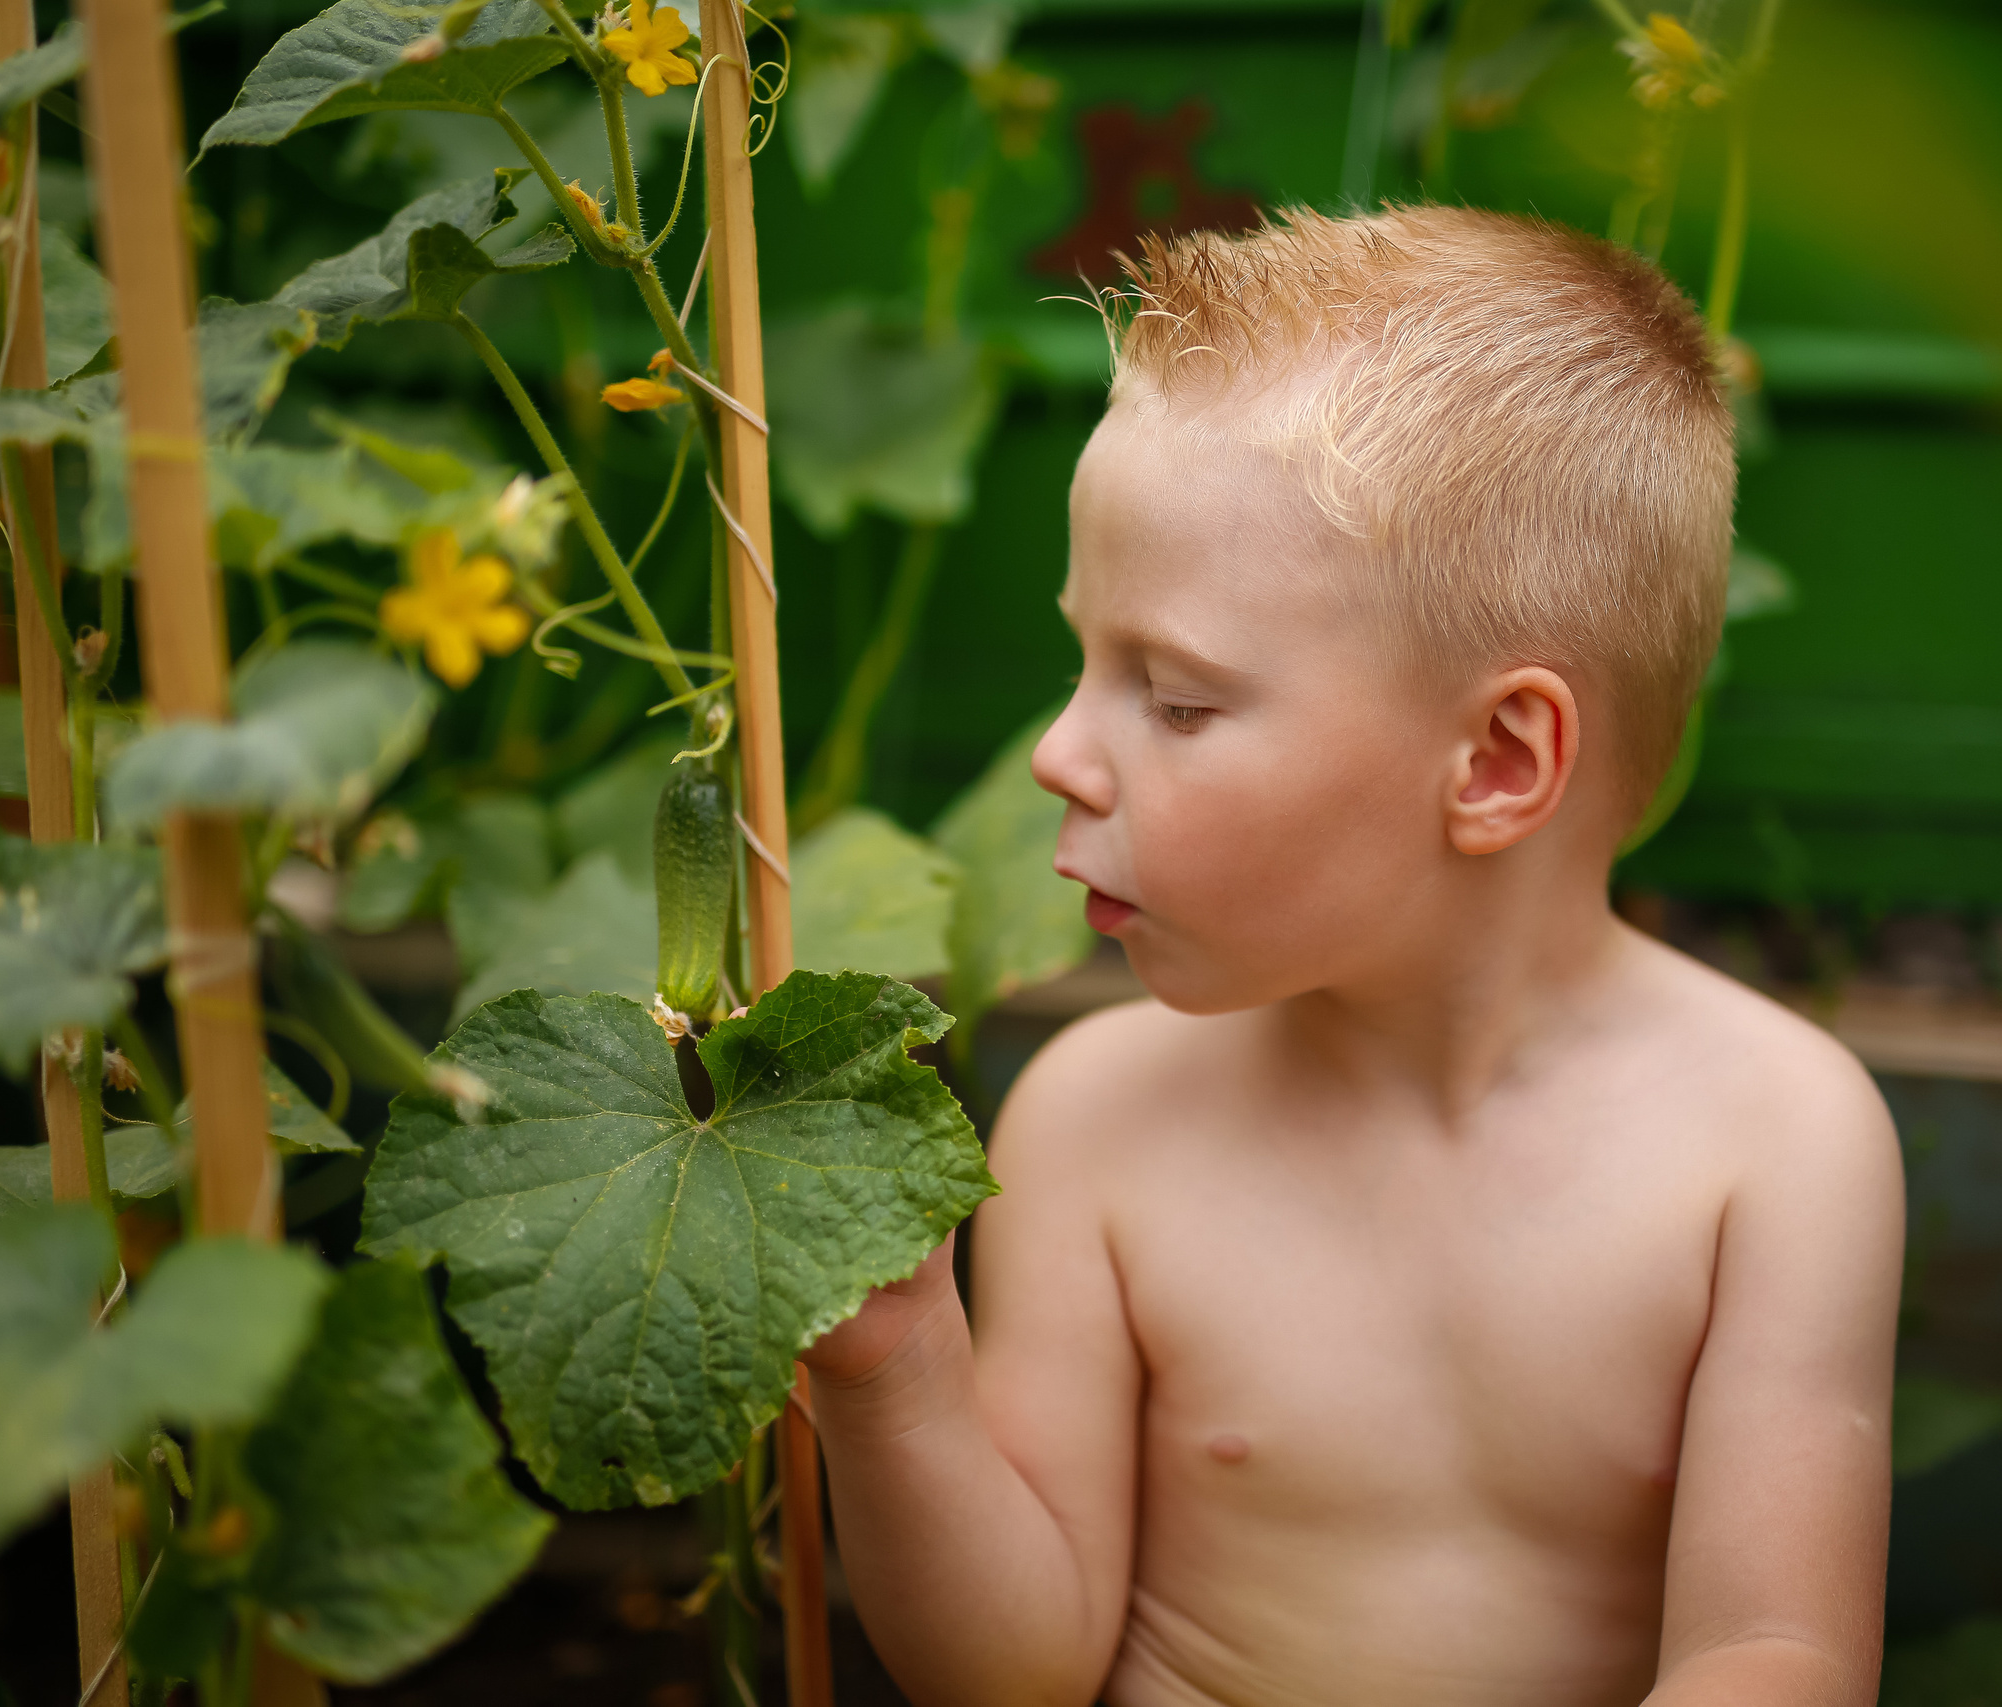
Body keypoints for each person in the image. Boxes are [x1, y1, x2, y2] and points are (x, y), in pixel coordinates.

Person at [799, 204, 1906, 1707]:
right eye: (1084, 662)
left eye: (1175, 701)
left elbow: (1774, 1654)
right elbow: (1016, 1671)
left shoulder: (1777, 1144)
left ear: (1500, 761)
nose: (1058, 752)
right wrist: (899, 1373)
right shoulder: (1096, 1119)